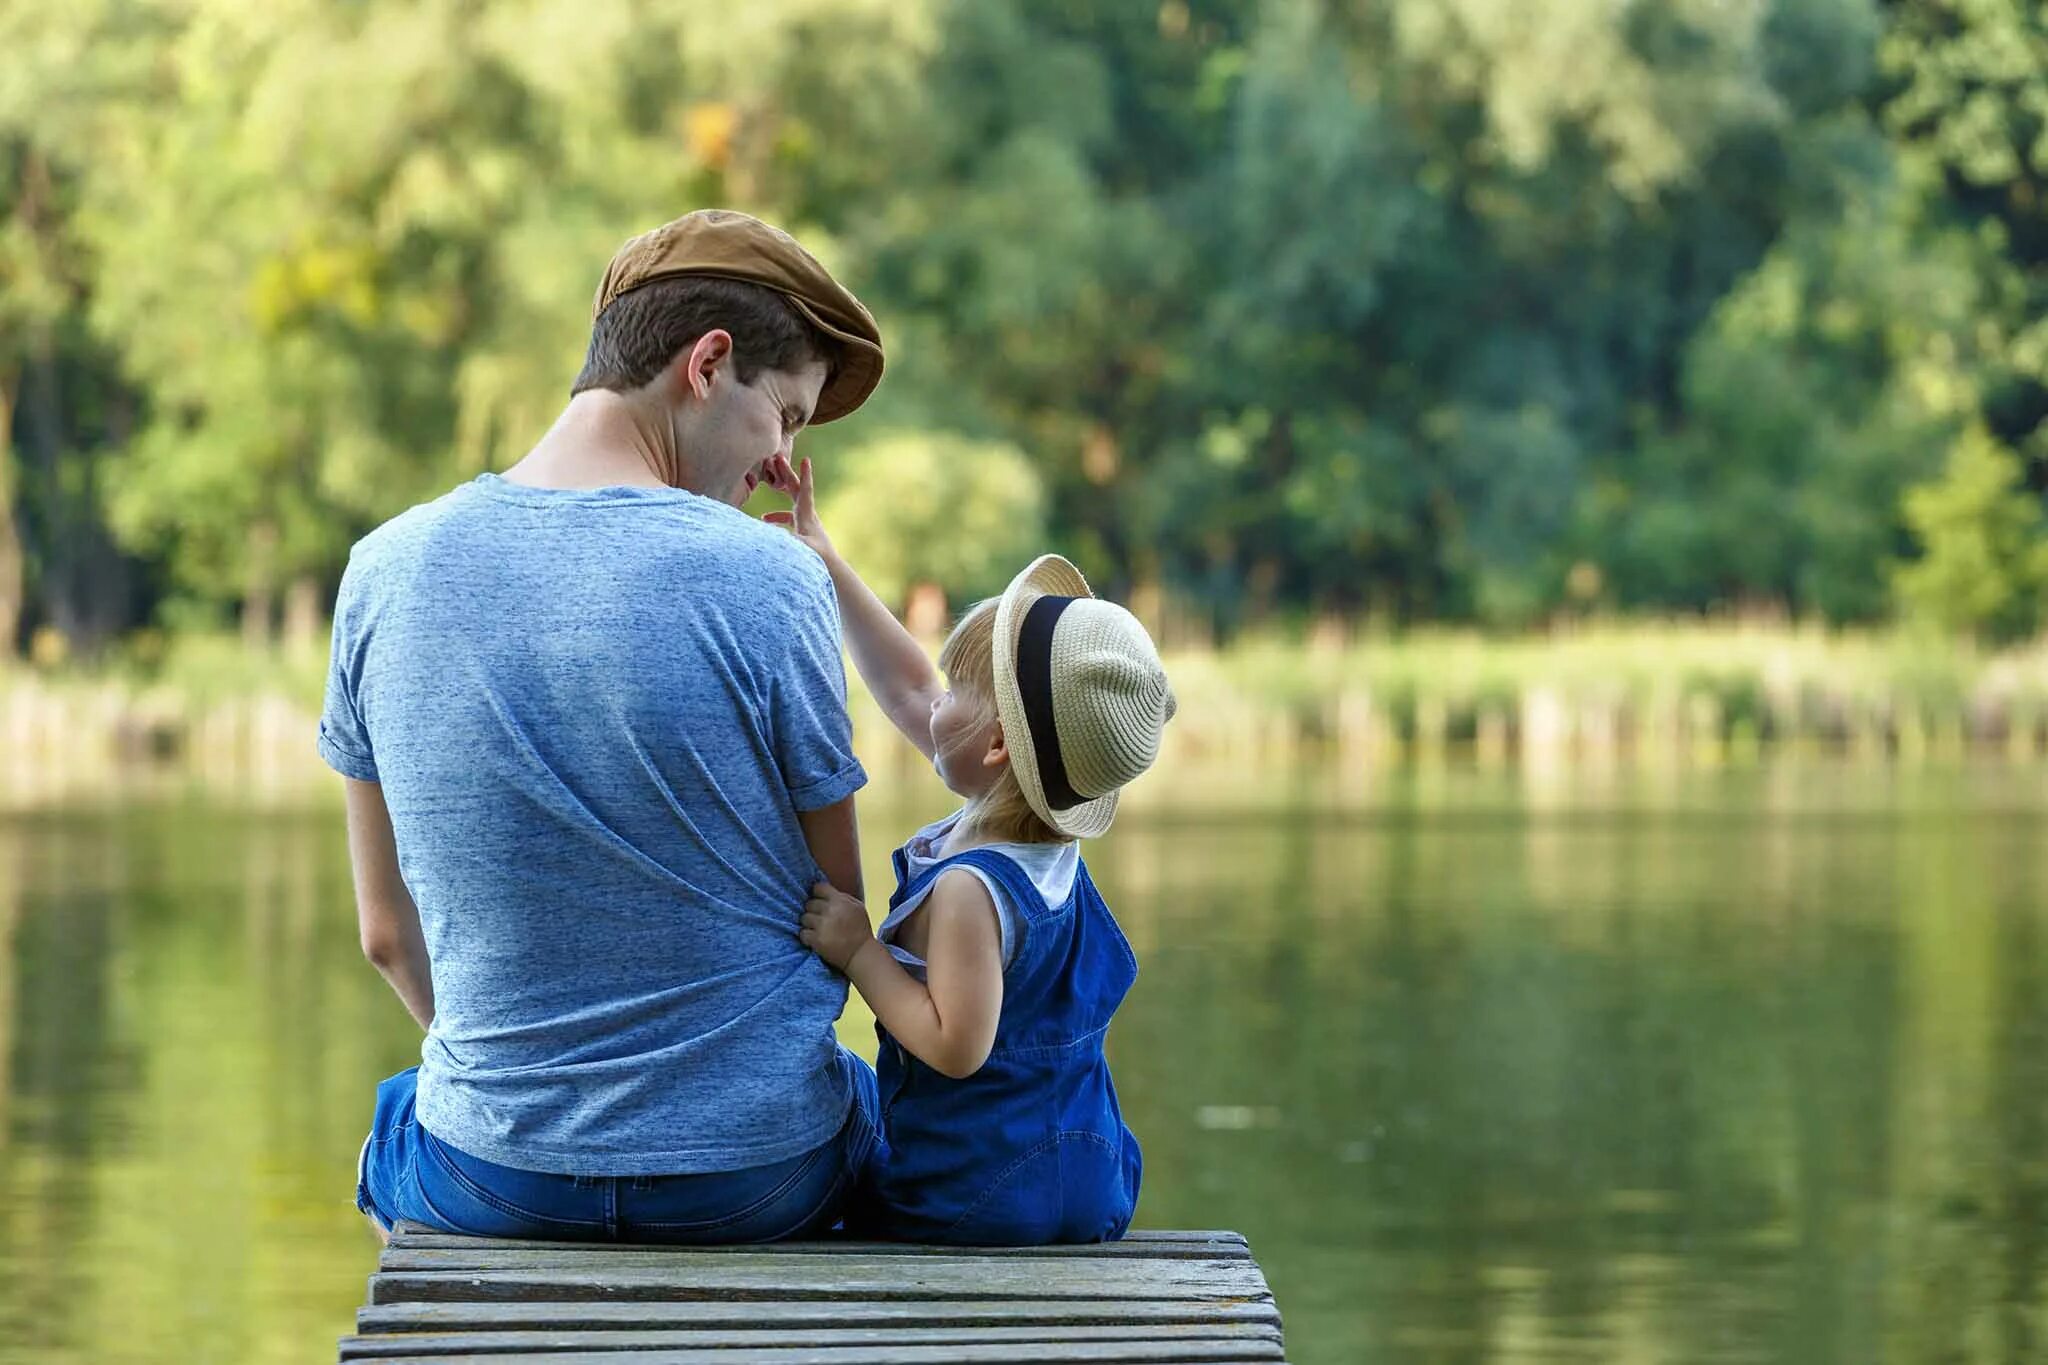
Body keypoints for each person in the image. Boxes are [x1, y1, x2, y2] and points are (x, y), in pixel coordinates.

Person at [319, 209, 887, 1243]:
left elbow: (385, 935)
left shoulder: (380, 572)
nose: (780, 462)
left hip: (495, 1181)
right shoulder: (772, 581)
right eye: (789, 417)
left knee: (403, 1120)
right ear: (708, 364)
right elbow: (836, 917)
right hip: (756, 1180)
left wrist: (532, 1118)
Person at [767, 455, 1175, 1244]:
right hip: (1089, 1173)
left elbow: (956, 1044)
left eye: (958, 692)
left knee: (839, 1143)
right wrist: (825, 556)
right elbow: (910, 690)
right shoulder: (1045, 846)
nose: (935, 699)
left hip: (973, 1190)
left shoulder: (970, 890)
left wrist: (858, 950)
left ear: (994, 746)